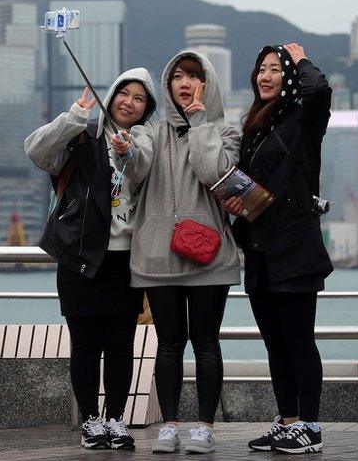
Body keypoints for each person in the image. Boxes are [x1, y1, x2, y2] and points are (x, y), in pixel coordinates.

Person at [25, 68, 157, 451]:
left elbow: (146, 169)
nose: (129, 102)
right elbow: (36, 151)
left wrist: (127, 151)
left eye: (139, 98)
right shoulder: (83, 134)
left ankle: (116, 418)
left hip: (124, 261)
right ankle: (89, 420)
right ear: (112, 95)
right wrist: (75, 115)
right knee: (84, 345)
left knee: (121, 345)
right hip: (79, 257)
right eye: (124, 94)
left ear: (147, 108)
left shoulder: (146, 140)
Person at [122, 51, 241, 454]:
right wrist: (125, 153)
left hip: (209, 256)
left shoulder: (226, 131)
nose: (184, 82)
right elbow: (135, 168)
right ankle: (169, 425)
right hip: (158, 255)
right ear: (167, 84)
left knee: (206, 341)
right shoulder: (150, 131)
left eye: (194, 75)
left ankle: (204, 427)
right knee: (169, 343)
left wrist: (198, 122)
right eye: (177, 76)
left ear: (207, 83)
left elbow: (214, 173)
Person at [224, 43, 333, 455]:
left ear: (289, 77)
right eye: (261, 70)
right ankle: (288, 422)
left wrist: (301, 61)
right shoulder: (254, 127)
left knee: (299, 341)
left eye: (275, 69)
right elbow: (256, 190)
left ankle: (311, 427)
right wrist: (237, 203)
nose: (265, 76)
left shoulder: (304, 121)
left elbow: (319, 91)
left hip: (295, 249)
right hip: (260, 251)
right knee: (275, 343)